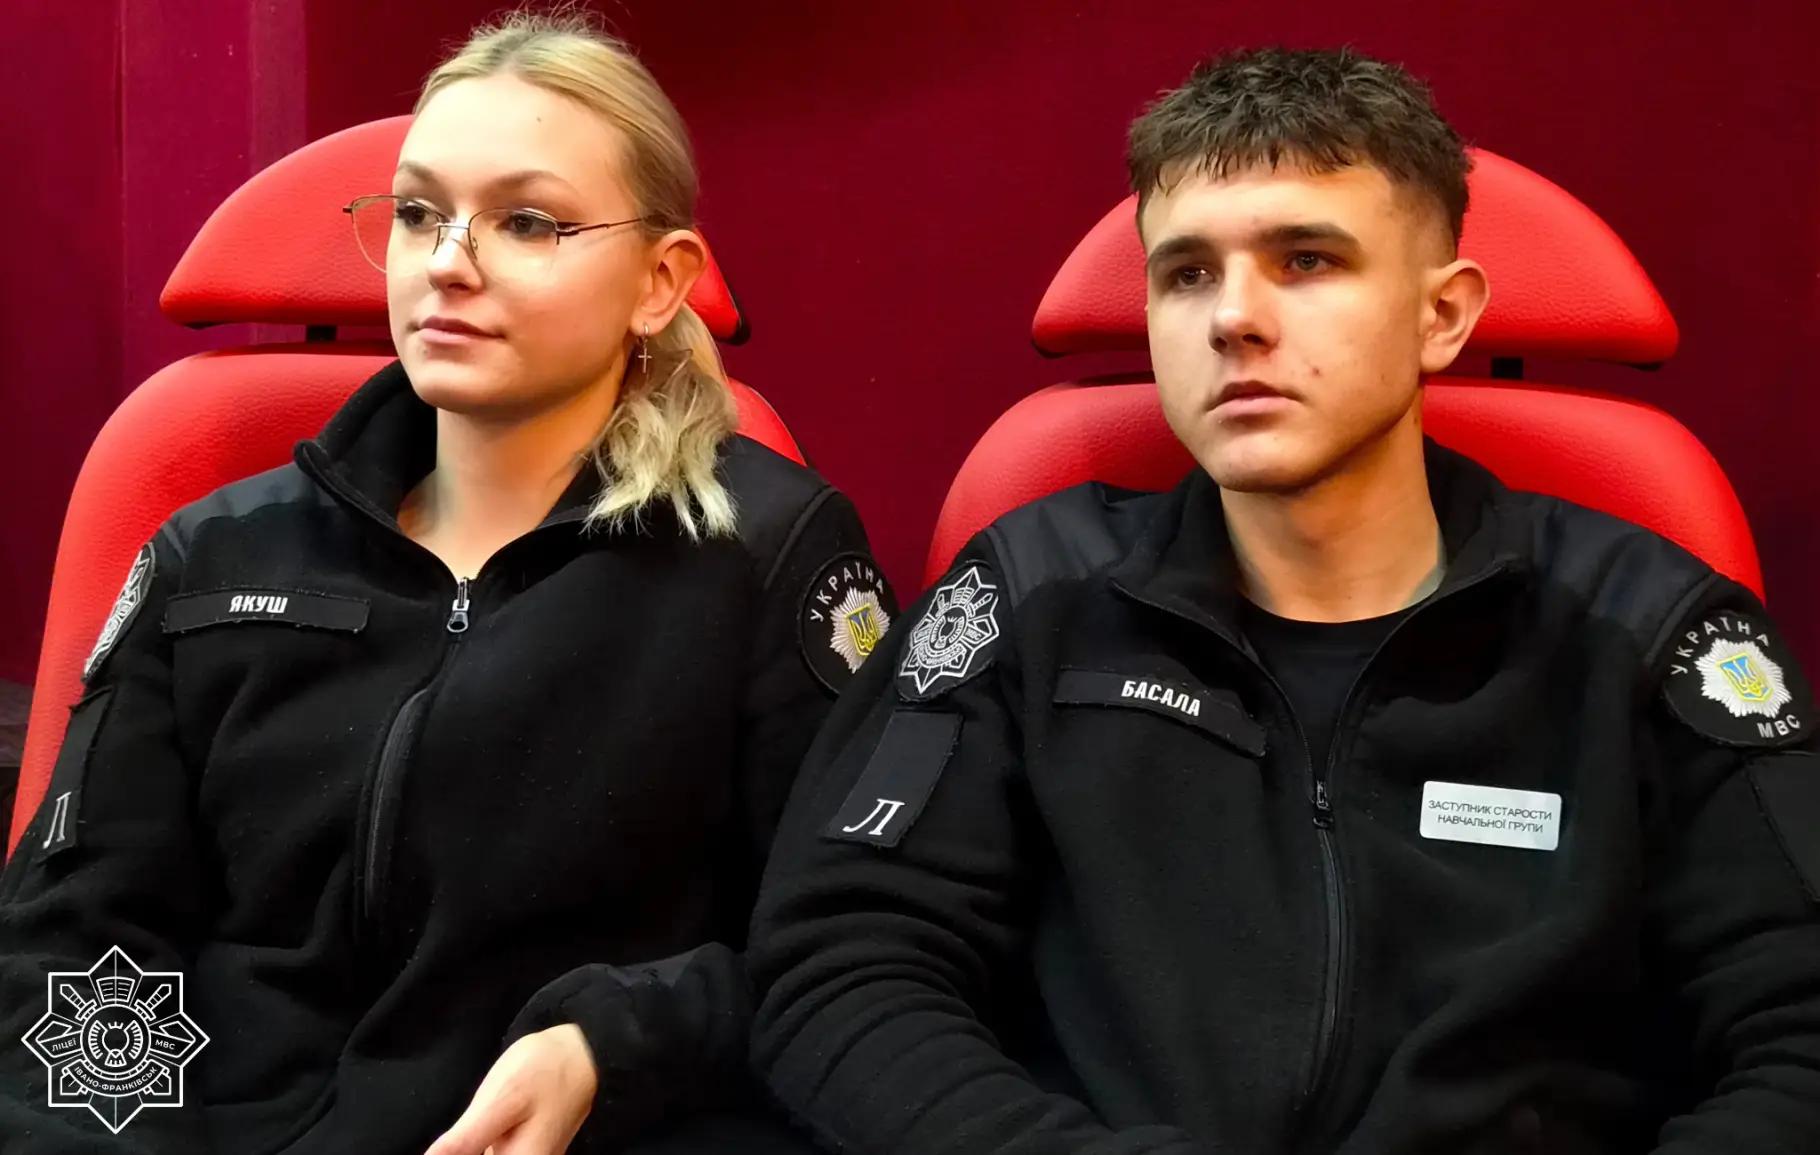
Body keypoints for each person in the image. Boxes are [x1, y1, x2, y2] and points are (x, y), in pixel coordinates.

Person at [748, 47, 1820, 1154]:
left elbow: (1800, 1027)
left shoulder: (1643, 629)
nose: (1233, 319)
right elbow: (841, 968)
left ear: (1442, 315)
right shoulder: (1027, 593)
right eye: (1185, 273)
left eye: (1306, 260)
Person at [0, 13, 887, 1154]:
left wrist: (617, 1040)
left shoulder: (768, 556)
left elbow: (852, 942)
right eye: (418, 213)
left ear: (660, 281)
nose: (448, 261)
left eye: (526, 222)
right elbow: (74, 937)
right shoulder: (214, 555)